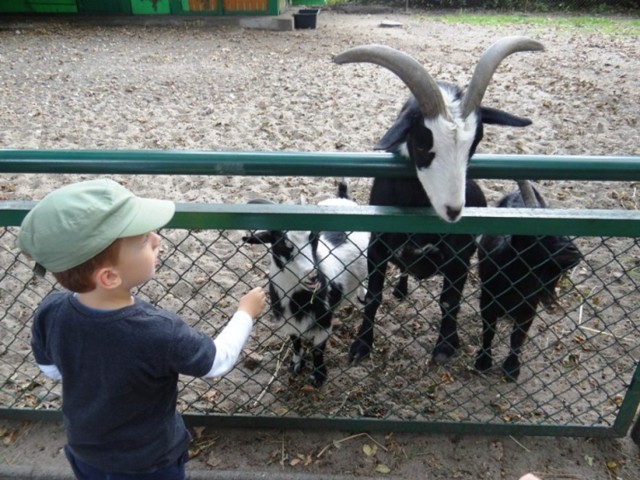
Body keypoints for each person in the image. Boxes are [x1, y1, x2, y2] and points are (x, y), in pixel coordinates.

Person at [17, 178, 266, 480]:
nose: (156, 240)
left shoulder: (52, 310)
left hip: (86, 450)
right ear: (109, 277)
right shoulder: (159, 331)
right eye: (143, 240)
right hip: (150, 463)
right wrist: (245, 313)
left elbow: (50, 369)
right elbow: (216, 361)